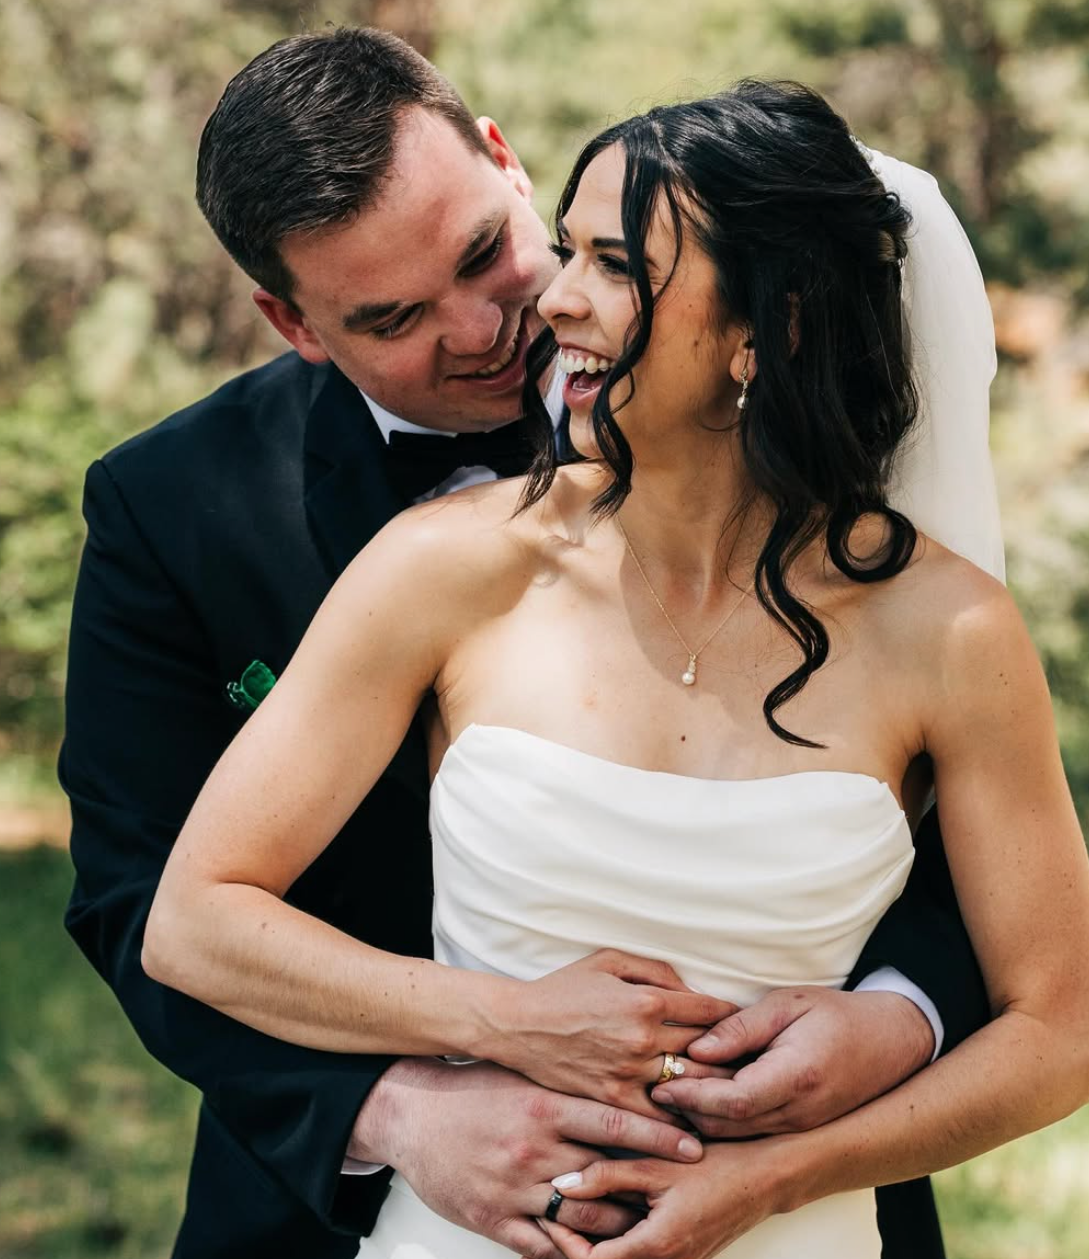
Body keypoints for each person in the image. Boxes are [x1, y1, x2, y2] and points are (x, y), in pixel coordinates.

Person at [63, 27, 994, 1259]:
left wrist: (900, 1015)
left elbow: (940, 792)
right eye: (394, 315)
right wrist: (400, 1109)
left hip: (789, 1178)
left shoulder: (761, 357)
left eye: (487, 252)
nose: (490, 328)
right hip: (346, 1205)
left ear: (505, 164)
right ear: (292, 322)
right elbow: (145, 903)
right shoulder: (173, 506)